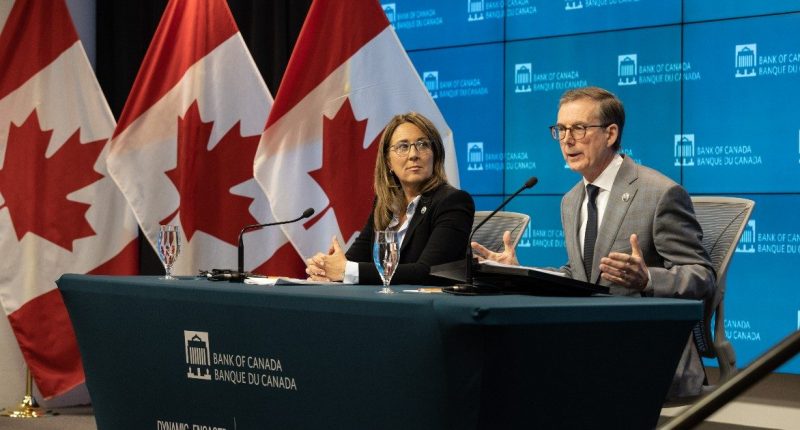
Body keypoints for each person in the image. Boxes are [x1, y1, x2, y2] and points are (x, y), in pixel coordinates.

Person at [472, 86, 715, 399]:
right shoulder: (571, 200)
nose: (567, 140)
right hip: (588, 343)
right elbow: (581, 277)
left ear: (611, 134)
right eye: (560, 129)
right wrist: (519, 272)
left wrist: (648, 278)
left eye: (579, 128)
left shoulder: (659, 193)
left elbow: (703, 276)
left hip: (647, 350)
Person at [305, 112, 474, 286]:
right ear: (388, 161)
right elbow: (354, 260)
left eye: (423, 145)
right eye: (403, 146)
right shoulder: (385, 205)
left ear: (435, 154)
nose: (413, 154)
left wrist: (345, 270)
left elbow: (428, 272)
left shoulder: (453, 202)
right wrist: (326, 268)